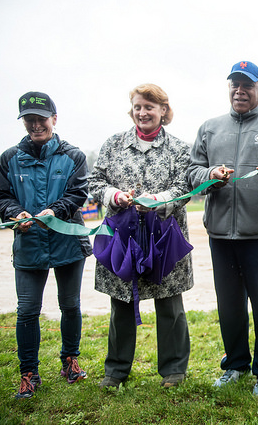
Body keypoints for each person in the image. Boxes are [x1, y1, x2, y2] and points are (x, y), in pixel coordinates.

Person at [187, 61, 258, 396]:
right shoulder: (210, 127)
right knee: (229, 304)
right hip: (220, 233)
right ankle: (235, 364)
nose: (240, 91)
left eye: (247, 85)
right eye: (234, 85)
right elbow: (192, 171)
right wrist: (210, 176)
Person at [89, 83, 194, 389]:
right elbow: (94, 181)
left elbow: (184, 187)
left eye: (149, 106)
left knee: (170, 304)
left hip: (164, 237)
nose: (143, 112)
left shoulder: (179, 148)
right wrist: (115, 195)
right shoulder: (113, 144)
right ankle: (115, 372)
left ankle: (174, 370)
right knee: (120, 303)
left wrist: (158, 201)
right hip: (123, 237)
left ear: (163, 110)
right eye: (137, 106)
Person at [0, 92, 91, 399]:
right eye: (29, 120)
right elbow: (2, 196)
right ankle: (29, 373)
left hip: (67, 241)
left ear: (54, 119)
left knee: (70, 304)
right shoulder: (8, 158)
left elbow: (79, 193)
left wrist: (55, 210)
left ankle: (70, 360)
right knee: (26, 310)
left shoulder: (73, 155)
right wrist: (13, 214)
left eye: (41, 119)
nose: (36, 125)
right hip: (29, 243)